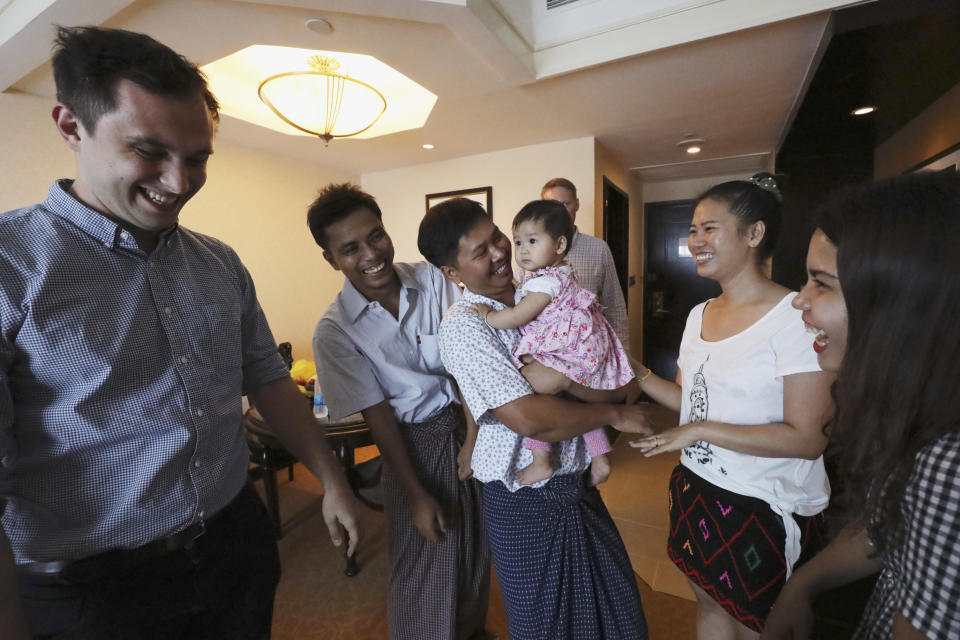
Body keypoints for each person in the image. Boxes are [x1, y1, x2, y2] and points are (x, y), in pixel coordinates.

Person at [0, 26, 361, 640]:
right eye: (148, 151)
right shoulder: (12, 266)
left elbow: (268, 379)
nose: (178, 181)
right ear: (70, 127)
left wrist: (331, 479)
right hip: (94, 591)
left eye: (197, 159)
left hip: (234, 548)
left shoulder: (219, 262)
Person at [418, 197, 651, 640]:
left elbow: (601, 367)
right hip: (522, 497)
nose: (502, 252)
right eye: (480, 252)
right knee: (545, 623)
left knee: (615, 608)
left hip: (576, 483)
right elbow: (529, 419)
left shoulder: (541, 291)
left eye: (497, 238)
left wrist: (611, 386)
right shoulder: (466, 327)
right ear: (452, 273)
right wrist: (615, 413)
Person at [629, 174, 834, 638]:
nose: (695, 240)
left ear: (754, 233)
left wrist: (699, 432)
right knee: (711, 607)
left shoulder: (795, 318)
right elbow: (690, 405)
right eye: (693, 230)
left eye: (709, 228)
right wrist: (634, 371)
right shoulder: (698, 315)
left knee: (762, 625)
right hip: (697, 488)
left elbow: (806, 439)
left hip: (763, 504)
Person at [762, 171, 960, 640]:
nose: (800, 301)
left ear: (897, 303)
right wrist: (802, 587)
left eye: (822, 284)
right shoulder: (923, 411)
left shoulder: (948, 466)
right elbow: (890, 524)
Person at [308, 184, 491, 640]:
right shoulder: (335, 332)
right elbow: (379, 418)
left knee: (473, 550)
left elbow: (467, 362)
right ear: (330, 259)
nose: (371, 254)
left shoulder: (433, 280)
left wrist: (472, 436)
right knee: (423, 561)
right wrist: (414, 493)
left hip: (468, 426)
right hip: (410, 446)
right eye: (350, 248)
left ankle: (470, 632)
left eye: (376, 236)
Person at [468, 200, 634, 486]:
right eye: (518, 241)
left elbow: (519, 315)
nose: (523, 250)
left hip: (566, 354)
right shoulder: (562, 273)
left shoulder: (543, 283)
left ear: (558, 245)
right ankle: (600, 456)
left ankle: (541, 461)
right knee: (576, 403)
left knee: (535, 398)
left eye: (533, 241)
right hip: (580, 352)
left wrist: (489, 316)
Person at [539, 177, 630, 350]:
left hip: (591, 350)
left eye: (565, 204)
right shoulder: (531, 250)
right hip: (546, 352)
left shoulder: (599, 248)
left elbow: (614, 305)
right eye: (552, 206)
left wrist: (623, 352)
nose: (559, 213)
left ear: (577, 205)